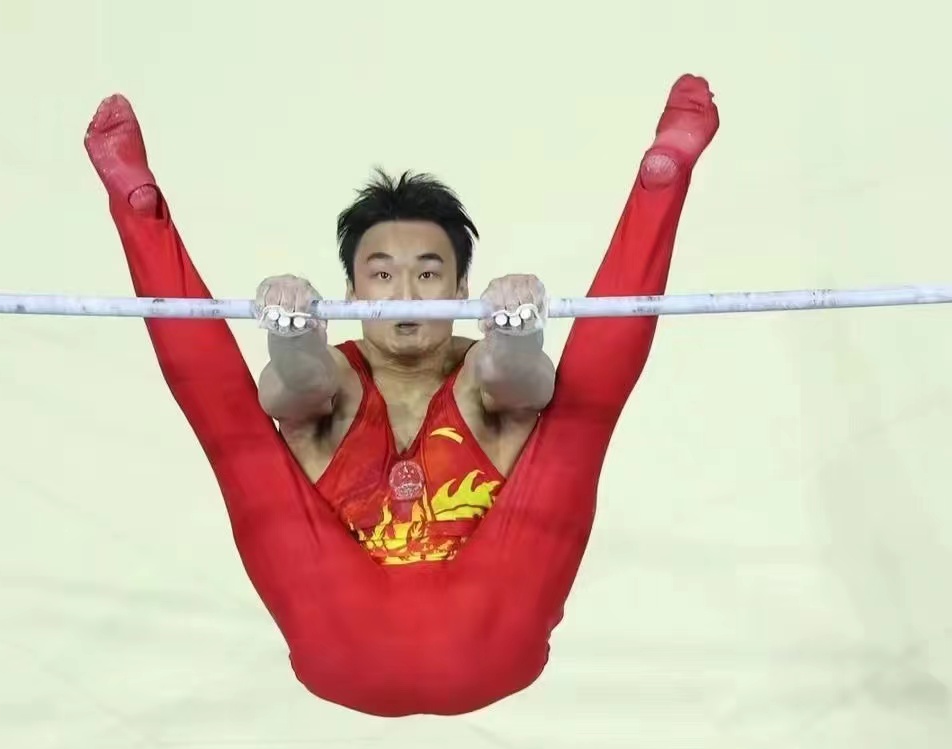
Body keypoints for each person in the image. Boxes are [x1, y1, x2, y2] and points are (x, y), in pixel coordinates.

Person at [83, 74, 719, 716]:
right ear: (351, 290)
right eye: (382, 274)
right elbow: (295, 389)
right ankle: (138, 208)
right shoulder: (335, 373)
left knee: (571, 414)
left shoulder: (479, 369)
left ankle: (661, 180)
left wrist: (516, 338)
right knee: (241, 427)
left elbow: (517, 383)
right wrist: (295, 337)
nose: (407, 296)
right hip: (368, 636)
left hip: (469, 633)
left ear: (462, 286)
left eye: (428, 273)